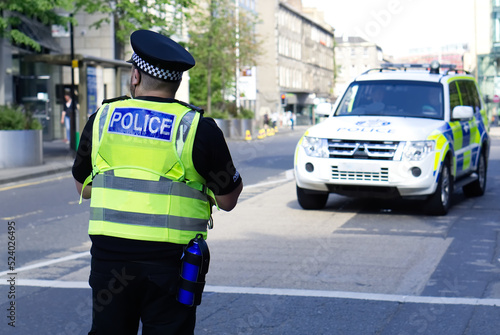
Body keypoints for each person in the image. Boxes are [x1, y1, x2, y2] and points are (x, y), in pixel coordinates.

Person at [72, 29, 243, 334]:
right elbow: (228, 200)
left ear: (135, 76)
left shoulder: (102, 118)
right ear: (176, 82)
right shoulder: (198, 128)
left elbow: (82, 186)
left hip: (110, 263)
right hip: (172, 266)